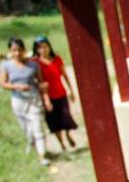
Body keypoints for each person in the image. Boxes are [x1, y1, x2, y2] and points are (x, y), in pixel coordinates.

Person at [1, 37, 50, 165]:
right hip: (18, 100)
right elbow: (3, 83)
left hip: (34, 99)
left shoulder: (33, 64)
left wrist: (46, 98)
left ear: (24, 50)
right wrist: (17, 86)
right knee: (27, 128)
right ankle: (31, 146)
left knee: (38, 125)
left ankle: (42, 155)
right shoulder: (6, 65)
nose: (17, 53)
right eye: (14, 50)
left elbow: (41, 82)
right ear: (10, 51)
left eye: (20, 50)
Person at [32, 36, 78, 151]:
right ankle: (61, 143)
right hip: (48, 97)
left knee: (66, 117)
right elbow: (40, 81)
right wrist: (46, 98)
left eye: (45, 47)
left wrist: (72, 91)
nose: (43, 50)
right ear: (36, 50)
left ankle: (68, 134)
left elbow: (65, 75)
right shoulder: (36, 63)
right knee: (54, 122)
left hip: (61, 93)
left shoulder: (57, 59)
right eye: (40, 48)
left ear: (49, 47)